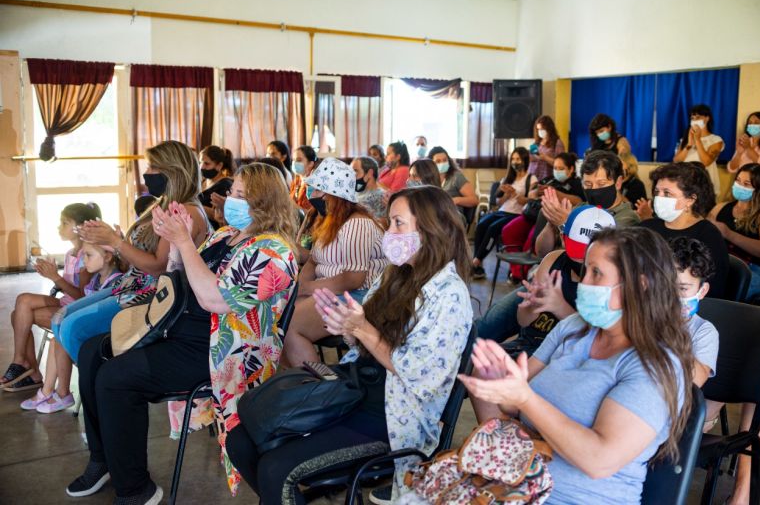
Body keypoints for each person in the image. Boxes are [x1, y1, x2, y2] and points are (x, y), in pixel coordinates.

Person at [65, 163, 298, 503]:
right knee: (91, 352)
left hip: (219, 352)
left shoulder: (274, 251)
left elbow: (213, 298)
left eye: (238, 195)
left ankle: (135, 489)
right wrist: (177, 245)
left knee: (115, 377)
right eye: (232, 193)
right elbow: (177, 279)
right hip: (180, 331)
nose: (227, 200)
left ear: (262, 203)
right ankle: (104, 461)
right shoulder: (225, 235)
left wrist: (185, 242)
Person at [226, 185, 473, 504]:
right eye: (390, 223)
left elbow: (420, 378)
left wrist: (362, 329)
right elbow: (363, 332)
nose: (390, 232)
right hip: (356, 386)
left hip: (392, 413)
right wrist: (344, 323)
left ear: (430, 228)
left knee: (276, 469)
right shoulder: (396, 274)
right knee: (239, 441)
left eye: (398, 223)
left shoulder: (449, 294)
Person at [461, 226, 693, 505]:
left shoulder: (654, 364)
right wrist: (501, 383)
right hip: (517, 484)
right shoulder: (574, 328)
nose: (584, 283)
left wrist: (525, 397)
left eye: (597, 273)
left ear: (640, 284)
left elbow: (599, 461)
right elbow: (515, 406)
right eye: (585, 271)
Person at [53, 140, 210, 363]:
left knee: (71, 328)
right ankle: (93, 379)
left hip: (155, 295)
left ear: (172, 171)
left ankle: (99, 380)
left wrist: (116, 242)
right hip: (132, 284)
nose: (147, 173)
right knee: (60, 318)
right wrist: (109, 240)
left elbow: (158, 267)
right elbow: (137, 254)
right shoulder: (163, 203)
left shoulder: (184, 211)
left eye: (152, 167)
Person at [472, 206, 616, 422]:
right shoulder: (554, 261)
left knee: (526, 388)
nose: (584, 267)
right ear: (563, 237)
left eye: (594, 268)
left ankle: (512, 440)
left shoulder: (613, 283)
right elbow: (523, 322)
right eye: (578, 254)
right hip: (534, 343)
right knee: (482, 368)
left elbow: (599, 337)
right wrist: (531, 305)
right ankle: (498, 441)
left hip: (570, 354)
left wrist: (559, 307)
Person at [282, 158, 388, 367]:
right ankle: (307, 382)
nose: (312, 196)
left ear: (333, 194)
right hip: (330, 290)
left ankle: (320, 390)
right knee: (279, 316)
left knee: (291, 326)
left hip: (360, 296)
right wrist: (301, 286)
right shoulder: (329, 219)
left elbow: (353, 278)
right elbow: (313, 261)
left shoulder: (357, 223)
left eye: (318, 190)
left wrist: (309, 288)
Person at [1, 202, 101, 392]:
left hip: (79, 308)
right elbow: (68, 289)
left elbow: (81, 295)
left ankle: (28, 369)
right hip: (67, 302)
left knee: (18, 317)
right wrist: (51, 274)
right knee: (23, 300)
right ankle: (23, 363)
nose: (59, 227)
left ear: (79, 226)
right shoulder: (70, 252)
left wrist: (54, 276)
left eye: (64, 223)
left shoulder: (86, 254)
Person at [20, 242, 123, 413]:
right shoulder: (96, 279)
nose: (83, 261)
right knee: (56, 340)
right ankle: (48, 391)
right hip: (90, 330)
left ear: (107, 257)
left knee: (59, 340)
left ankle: (62, 393)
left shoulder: (116, 281)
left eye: (88, 255)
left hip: (103, 335)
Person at [638, 162, 728, 299]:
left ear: (690, 200)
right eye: (657, 192)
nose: (659, 198)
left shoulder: (708, 235)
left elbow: (713, 289)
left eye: (667, 193)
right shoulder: (646, 227)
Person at [500, 152, 586, 283]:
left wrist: (555, 193)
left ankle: (523, 275)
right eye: (555, 168)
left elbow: (578, 200)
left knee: (531, 240)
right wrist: (536, 192)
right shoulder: (549, 179)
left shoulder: (576, 184)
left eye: (561, 168)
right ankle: (516, 270)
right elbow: (531, 194)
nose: (557, 171)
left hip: (547, 218)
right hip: (530, 213)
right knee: (508, 230)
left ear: (571, 169)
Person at [535, 150, 639, 259]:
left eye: (601, 184)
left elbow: (592, 258)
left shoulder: (628, 218)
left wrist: (564, 224)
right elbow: (542, 252)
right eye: (588, 184)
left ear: (618, 183)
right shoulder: (580, 209)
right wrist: (552, 223)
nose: (594, 189)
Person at [710, 163, 760, 299]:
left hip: (755, 270)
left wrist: (729, 234)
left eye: (746, 184)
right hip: (721, 264)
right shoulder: (720, 207)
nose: (740, 186)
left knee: (727, 287)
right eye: (738, 181)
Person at [471, 147, 537, 278]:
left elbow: (530, 202)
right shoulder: (507, 178)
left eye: (518, 159)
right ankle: (478, 263)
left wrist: (516, 194)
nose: (515, 161)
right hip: (502, 211)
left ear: (524, 160)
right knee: (481, 224)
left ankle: (476, 260)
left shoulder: (532, 179)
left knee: (492, 228)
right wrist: (506, 194)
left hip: (517, 214)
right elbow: (498, 203)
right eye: (513, 159)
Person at [668, 237, 719, 389]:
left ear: (702, 291)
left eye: (683, 288)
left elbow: (696, 381)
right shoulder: (641, 317)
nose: (672, 295)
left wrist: (667, 328)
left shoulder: (703, 331)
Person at [673, 104, 724, 197]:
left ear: (707, 118)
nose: (694, 120)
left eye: (698, 117)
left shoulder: (716, 140)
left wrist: (697, 140)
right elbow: (676, 160)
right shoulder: (685, 139)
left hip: (705, 185)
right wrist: (689, 145)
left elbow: (706, 162)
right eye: (692, 118)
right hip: (685, 184)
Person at [727, 111, 760, 201]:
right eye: (750, 123)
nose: (752, 125)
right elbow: (731, 169)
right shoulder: (745, 141)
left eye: (756, 123)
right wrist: (739, 153)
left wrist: (748, 148)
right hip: (743, 191)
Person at [429, 146, 479, 225]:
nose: (442, 163)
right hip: (434, 215)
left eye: (445, 160)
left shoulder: (456, 177)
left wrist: (456, 200)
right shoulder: (428, 179)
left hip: (453, 216)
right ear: (431, 164)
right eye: (438, 161)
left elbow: (474, 200)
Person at [198, 145, 234, 229]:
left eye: (207, 163)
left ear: (219, 166)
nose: (202, 167)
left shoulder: (226, 185)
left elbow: (221, 214)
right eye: (200, 162)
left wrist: (195, 206)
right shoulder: (203, 180)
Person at [528, 115, 565, 182]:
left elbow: (561, 164)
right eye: (538, 129)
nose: (540, 132)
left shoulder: (557, 142)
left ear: (549, 129)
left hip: (547, 178)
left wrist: (545, 157)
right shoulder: (537, 142)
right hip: (533, 177)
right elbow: (532, 157)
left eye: (542, 129)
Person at [290, 145, 319, 211]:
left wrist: (293, 205)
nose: (294, 163)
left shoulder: (315, 184)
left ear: (310, 164)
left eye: (299, 160)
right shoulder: (297, 180)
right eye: (293, 160)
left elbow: (313, 214)